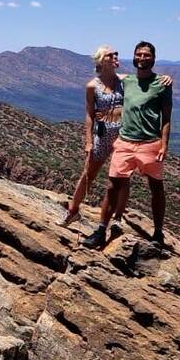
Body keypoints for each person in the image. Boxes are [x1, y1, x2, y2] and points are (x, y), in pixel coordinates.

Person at [83, 40, 173, 248]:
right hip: (124, 142)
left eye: (146, 55)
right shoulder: (126, 81)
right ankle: (100, 231)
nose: (142, 58)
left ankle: (158, 233)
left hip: (151, 143)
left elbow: (166, 117)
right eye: (139, 54)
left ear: (153, 58)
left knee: (156, 187)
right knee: (112, 186)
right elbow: (104, 84)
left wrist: (164, 145)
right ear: (134, 57)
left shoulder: (162, 83)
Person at [61, 45, 124, 226]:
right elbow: (89, 114)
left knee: (121, 178)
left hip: (123, 135)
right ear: (100, 61)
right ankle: (73, 211)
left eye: (116, 54)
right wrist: (88, 141)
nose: (115, 57)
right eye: (110, 55)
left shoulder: (125, 81)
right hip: (103, 134)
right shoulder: (92, 86)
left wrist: (164, 78)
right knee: (88, 175)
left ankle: (117, 219)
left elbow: (147, 80)